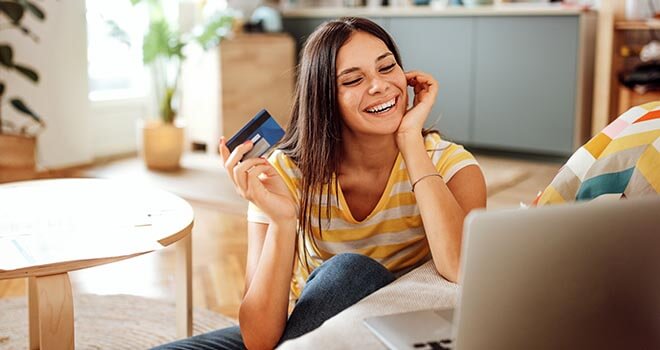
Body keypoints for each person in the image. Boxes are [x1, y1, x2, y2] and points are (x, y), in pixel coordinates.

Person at [154, 16, 486, 350]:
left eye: (387, 68)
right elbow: (258, 340)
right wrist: (283, 221)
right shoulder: (283, 173)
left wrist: (410, 140)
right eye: (354, 79)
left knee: (351, 272)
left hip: (398, 337)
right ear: (324, 98)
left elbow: (462, 269)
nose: (379, 85)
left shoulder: (450, 166)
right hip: (308, 332)